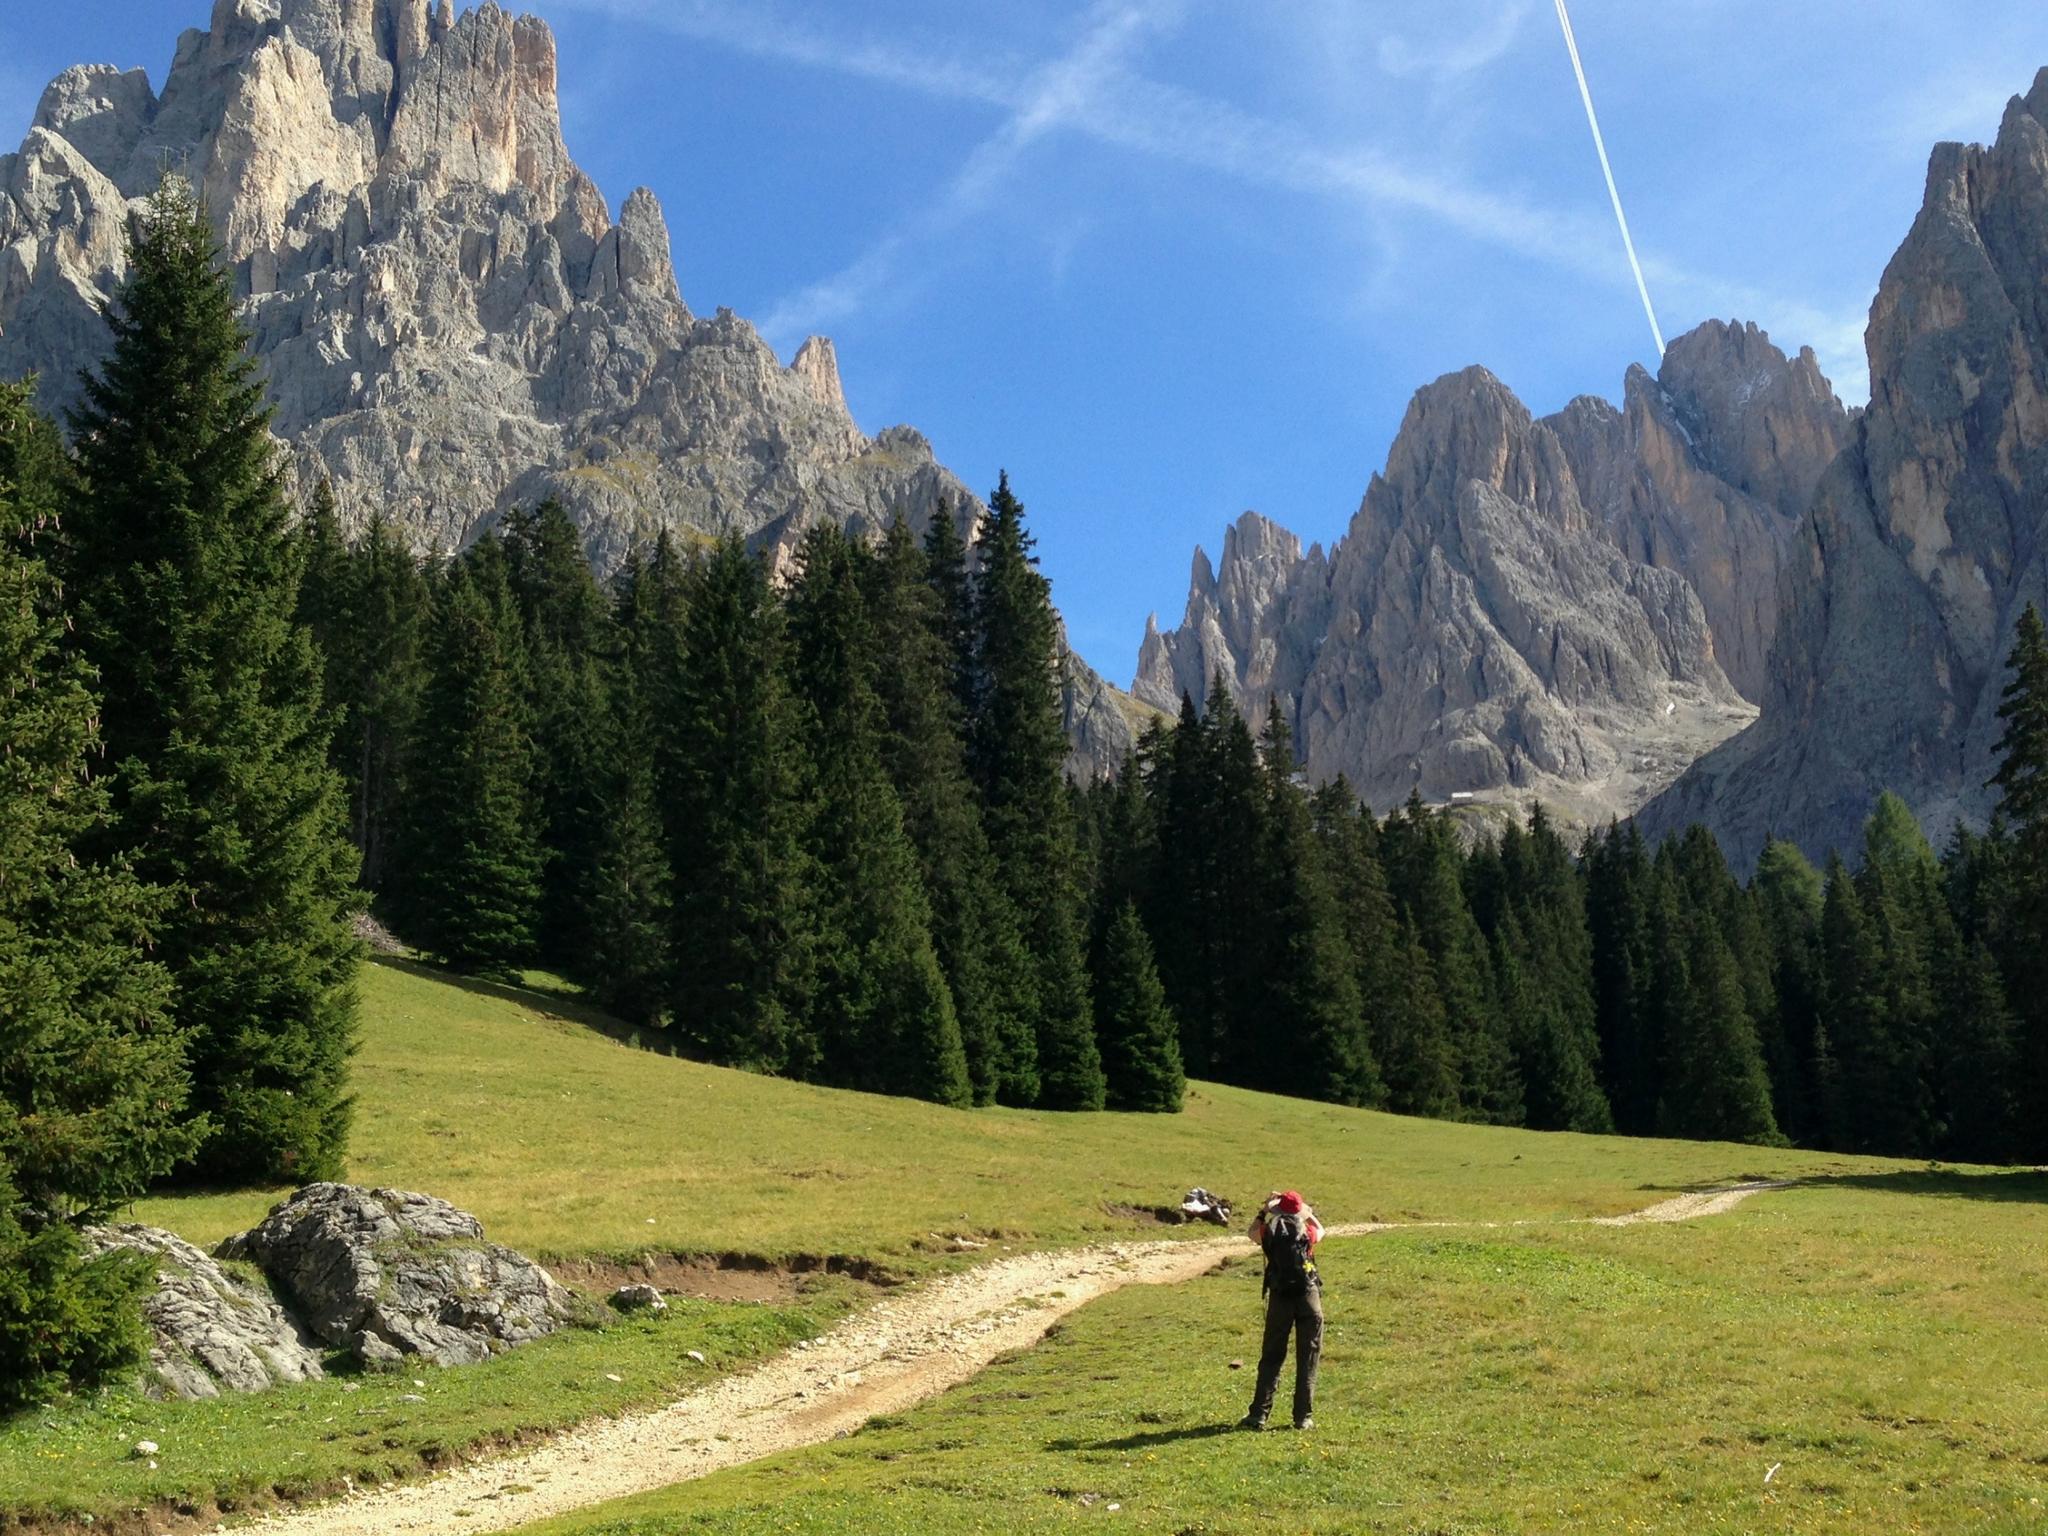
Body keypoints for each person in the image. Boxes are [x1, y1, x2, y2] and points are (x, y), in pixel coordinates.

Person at [1240, 1189, 1323, 1431]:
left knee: (1272, 1356)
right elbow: (1322, 1230)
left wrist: (1264, 1210)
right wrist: (1306, 1211)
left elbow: (1251, 1233)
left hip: (1280, 1298)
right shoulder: (1307, 1231)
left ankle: (1259, 1414)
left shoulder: (1269, 1232)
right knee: (1307, 1357)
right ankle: (1302, 1417)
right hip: (1309, 1297)